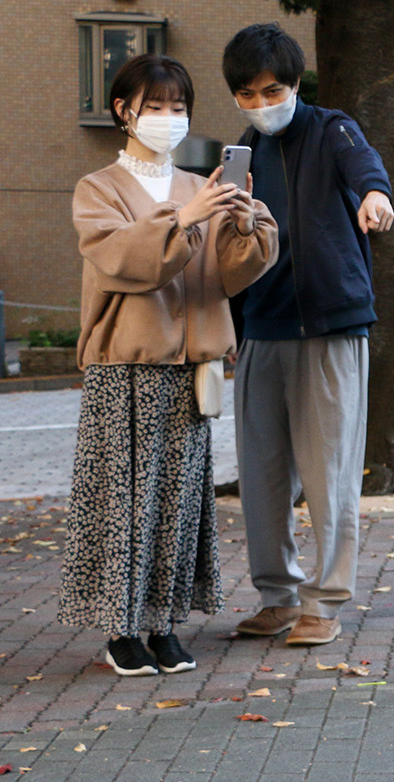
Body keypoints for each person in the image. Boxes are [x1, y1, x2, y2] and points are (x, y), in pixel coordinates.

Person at [58, 54, 277, 676]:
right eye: (155, 106)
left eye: (178, 107)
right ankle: (120, 630)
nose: (168, 118)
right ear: (124, 111)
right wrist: (184, 218)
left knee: (179, 505)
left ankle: (162, 625)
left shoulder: (197, 186)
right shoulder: (98, 189)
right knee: (123, 501)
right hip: (126, 366)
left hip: (193, 367)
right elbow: (123, 261)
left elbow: (228, 277)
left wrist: (243, 223)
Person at [221, 23, 394, 647]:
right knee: (262, 476)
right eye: (247, 94)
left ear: (295, 84)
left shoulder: (332, 129)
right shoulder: (242, 154)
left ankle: (325, 601)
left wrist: (375, 197)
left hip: (331, 325)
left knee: (330, 474)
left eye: (272, 90)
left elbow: (367, 167)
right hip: (261, 331)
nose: (262, 104)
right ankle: (279, 598)